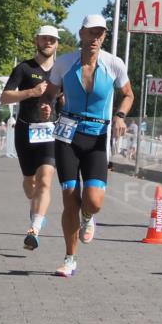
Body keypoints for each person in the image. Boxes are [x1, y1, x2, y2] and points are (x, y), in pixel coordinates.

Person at [39, 14, 134, 277]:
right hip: (67, 135)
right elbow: (50, 93)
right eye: (91, 33)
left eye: (100, 34)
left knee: (93, 201)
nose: (95, 38)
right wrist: (46, 105)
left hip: (96, 138)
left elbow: (128, 95)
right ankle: (70, 258)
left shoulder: (113, 64)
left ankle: (88, 217)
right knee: (70, 199)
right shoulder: (64, 63)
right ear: (81, 33)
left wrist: (120, 116)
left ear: (104, 37)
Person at [0, 25, 60, 251]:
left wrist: (54, 110)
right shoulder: (24, 68)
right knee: (30, 183)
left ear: (57, 44)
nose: (48, 42)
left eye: (52, 39)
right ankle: (35, 207)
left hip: (50, 132)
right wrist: (31, 93)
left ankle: (34, 229)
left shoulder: (61, 71)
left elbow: (66, 102)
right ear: (37, 41)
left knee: (45, 180)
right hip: (25, 131)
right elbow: (5, 97)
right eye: (45, 38)